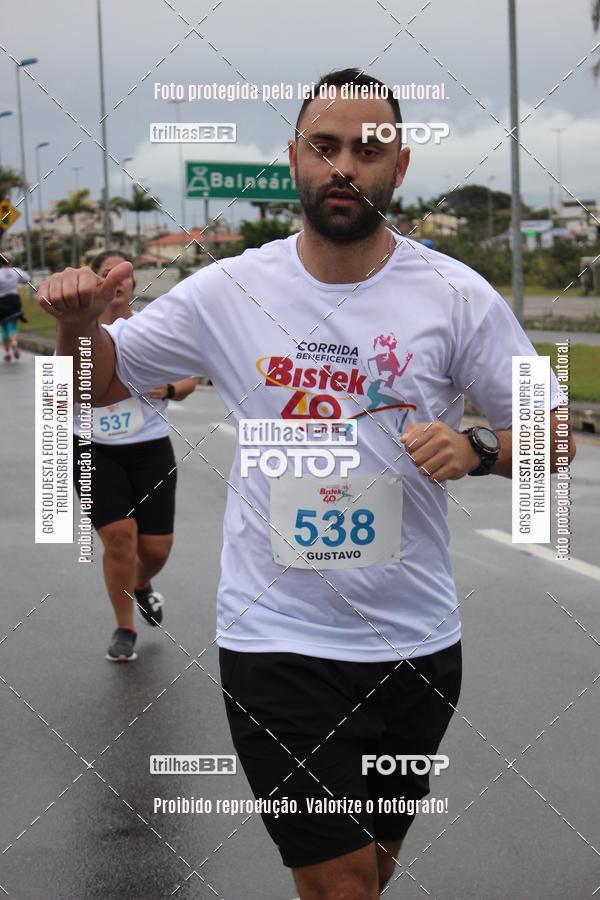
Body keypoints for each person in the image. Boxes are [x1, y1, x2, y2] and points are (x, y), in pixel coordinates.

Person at [39, 69, 575, 898]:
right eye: (324, 147)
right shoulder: (231, 289)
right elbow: (100, 382)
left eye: (368, 150)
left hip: (415, 645)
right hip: (275, 643)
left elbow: (556, 432)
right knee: (339, 886)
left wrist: (477, 446)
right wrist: (79, 326)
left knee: (374, 869)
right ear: (294, 156)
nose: (344, 167)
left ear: (399, 167)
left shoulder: (455, 295)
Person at [71, 251, 198, 662]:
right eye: (105, 274)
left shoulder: (149, 325)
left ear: (131, 284)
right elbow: (56, 383)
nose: (115, 281)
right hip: (94, 450)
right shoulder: (78, 330)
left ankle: (141, 585)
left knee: (156, 550)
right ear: (94, 282)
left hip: (149, 448)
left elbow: (188, 375)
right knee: (120, 540)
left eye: (120, 274)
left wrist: (172, 389)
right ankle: (124, 627)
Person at [0, 255, 29, 363]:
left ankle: (7, 354)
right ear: (10, 262)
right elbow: (27, 279)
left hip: (1, 301)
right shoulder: (16, 271)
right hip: (14, 300)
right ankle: (14, 343)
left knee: (3, 328)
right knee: (12, 324)